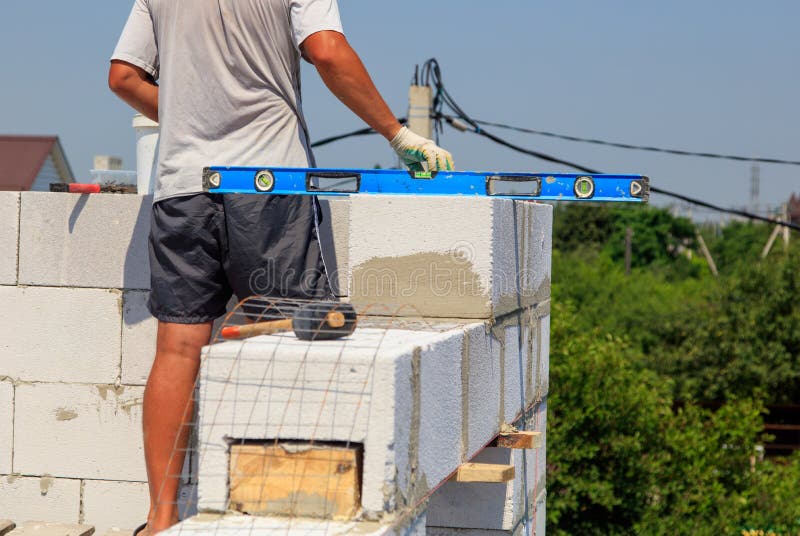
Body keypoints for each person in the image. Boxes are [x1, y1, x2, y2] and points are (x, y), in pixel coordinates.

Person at [108, 1, 454, 534]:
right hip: (268, 184)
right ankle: (279, 519)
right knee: (289, 347)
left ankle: (160, 521)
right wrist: (398, 134)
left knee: (176, 349)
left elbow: (124, 77)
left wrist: (189, 116)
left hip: (182, 187)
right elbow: (326, 51)